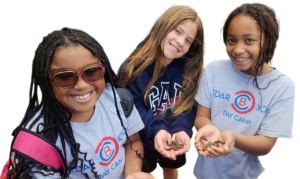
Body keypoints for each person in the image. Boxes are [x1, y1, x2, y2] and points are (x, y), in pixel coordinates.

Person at [3, 27, 156, 179]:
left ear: (104, 70)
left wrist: (133, 173)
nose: (82, 85)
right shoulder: (38, 144)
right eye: (65, 77)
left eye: (91, 72)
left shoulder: (118, 100)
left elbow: (132, 141)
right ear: (46, 82)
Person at [192, 2, 295, 179]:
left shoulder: (282, 87)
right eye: (232, 40)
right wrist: (210, 130)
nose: (238, 49)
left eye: (249, 40)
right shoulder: (214, 69)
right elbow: (201, 117)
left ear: (268, 40)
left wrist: (233, 137)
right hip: (204, 173)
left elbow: (265, 144)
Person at [117, 4, 206, 179]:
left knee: (170, 169)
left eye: (188, 40)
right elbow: (134, 109)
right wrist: (158, 129)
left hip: (173, 139)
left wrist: (181, 129)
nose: (180, 41)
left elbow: (187, 106)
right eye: (177, 31)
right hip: (140, 141)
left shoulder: (188, 72)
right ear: (162, 26)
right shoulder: (132, 69)